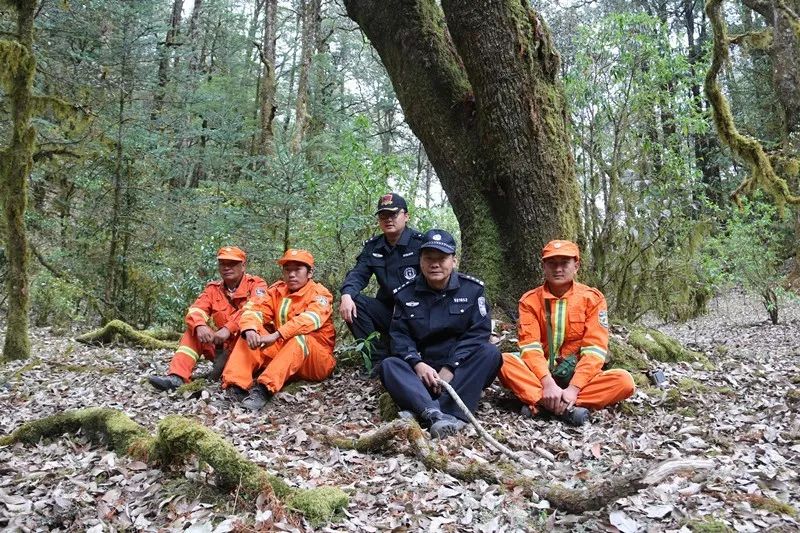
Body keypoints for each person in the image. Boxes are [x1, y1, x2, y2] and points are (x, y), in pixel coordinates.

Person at [380, 229, 502, 438]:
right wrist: (417, 364)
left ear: (454, 261)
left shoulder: (472, 290)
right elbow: (400, 337)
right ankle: (434, 413)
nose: (435, 264)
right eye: (429, 258)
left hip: (459, 372)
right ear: (420, 261)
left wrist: (451, 367)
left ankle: (446, 412)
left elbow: (478, 333)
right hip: (421, 373)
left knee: (490, 353)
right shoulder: (404, 294)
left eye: (442, 258)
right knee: (389, 365)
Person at [499, 240, 635, 426]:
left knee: (624, 381)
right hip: (540, 377)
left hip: (578, 378)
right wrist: (547, 382)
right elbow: (530, 347)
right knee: (502, 361)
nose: (558, 269)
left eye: (564, 263)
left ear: (576, 266)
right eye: (552, 263)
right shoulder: (529, 301)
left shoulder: (592, 299)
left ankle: (542, 404)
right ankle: (564, 408)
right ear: (543, 266)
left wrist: (574, 388)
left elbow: (594, 350)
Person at [222, 249, 336, 410]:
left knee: (300, 339)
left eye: (297, 270)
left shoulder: (320, 294)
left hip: (315, 360)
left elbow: (310, 320)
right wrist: (250, 329)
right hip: (283, 354)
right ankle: (235, 387)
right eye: (288, 270)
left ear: (310, 273)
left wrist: (276, 335)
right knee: (249, 334)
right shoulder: (276, 290)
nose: (292, 275)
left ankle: (264, 390)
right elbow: (254, 309)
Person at [149, 246, 268, 391]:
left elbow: (255, 308)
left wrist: (228, 329)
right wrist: (200, 325)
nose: (226, 267)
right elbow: (196, 309)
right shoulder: (213, 289)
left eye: (232, 264)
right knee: (193, 331)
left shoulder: (257, 285)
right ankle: (177, 377)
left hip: (249, 349)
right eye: (223, 264)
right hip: (222, 348)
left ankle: (238, 382)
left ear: (243, 266)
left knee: (249, 333)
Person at [339, 193, 425, 372]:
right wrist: (346, 294)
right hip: (388, 313)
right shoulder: (373, 246)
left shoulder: (421, 244)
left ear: (406, 216)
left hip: (417, 315)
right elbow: (359, 274)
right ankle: (376, 360)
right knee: (354, 301)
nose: (388, 220)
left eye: (393, 214)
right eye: (383, 216)